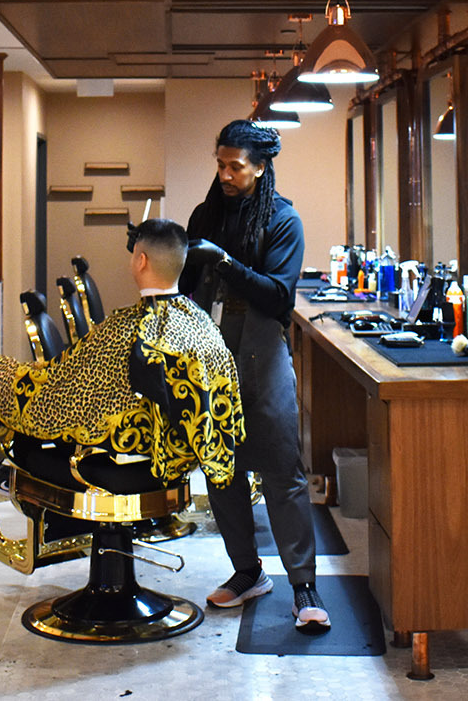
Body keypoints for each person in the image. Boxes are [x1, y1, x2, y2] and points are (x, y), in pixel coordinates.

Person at [0, 217, 242, 493]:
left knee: (23, 436)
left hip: (126, 473)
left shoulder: (122, 332)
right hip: (179, 470)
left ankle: (11, 480)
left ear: (141, 261)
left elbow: (55, 392)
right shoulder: (203, 326)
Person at [180, 119, 329, 633]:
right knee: (221, 470)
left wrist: (223, 262)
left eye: (235, 167)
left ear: (261, 168)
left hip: (262, 355)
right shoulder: (206, 214)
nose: (225, 175)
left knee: (282, 469)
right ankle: (247, 572)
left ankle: (304, 585)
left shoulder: (283, 221)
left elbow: (278, 296)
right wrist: (160, 251)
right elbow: (185, 283)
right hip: (211, 354)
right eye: (220, 165)